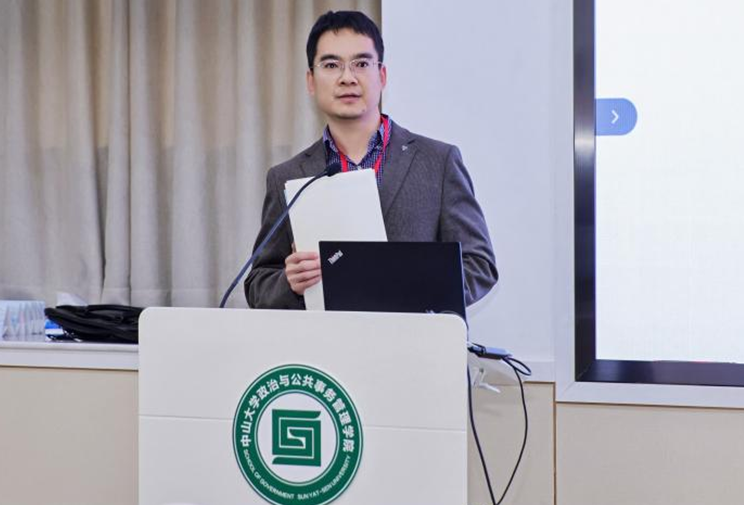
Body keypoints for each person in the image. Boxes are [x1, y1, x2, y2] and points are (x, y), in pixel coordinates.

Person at [244, 10, 497, 309]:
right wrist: (290, 282)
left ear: (382, 75)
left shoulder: (438, 162)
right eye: (331, 65)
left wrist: (410, 291)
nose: (347, 78)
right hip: (324, 338)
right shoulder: (286, 177)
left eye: (361, 64)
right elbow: (258, 284)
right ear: (311, 81)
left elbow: (479, 265)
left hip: (414, 337)